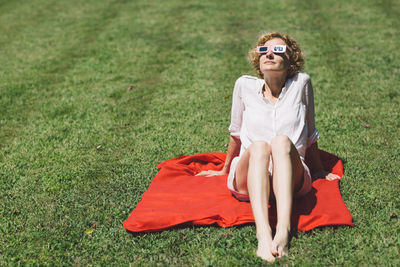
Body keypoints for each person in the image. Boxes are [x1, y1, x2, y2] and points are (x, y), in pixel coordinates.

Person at [196, 32, 340, 262]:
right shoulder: (243, 85)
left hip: (292, 175)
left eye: (278, 50)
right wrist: (224, 170)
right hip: (250, 174)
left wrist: (320, 169)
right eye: (263, 50)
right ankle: (263, 234)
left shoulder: (301, 83)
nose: (269, 54)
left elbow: (311, 135)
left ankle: (283, 231)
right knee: (260, 146)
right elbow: (236, 134)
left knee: (281, 141)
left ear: (290, 60)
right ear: (258, 59)